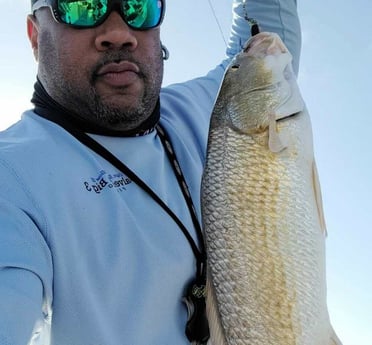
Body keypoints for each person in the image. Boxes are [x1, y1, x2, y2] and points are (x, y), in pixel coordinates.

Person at [0, 0, 301, 344]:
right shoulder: (11, 177)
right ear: (35, 36)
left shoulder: (220, 108)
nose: (118, 33)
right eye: (81, 7)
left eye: (139, 7)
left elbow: (267, 36)